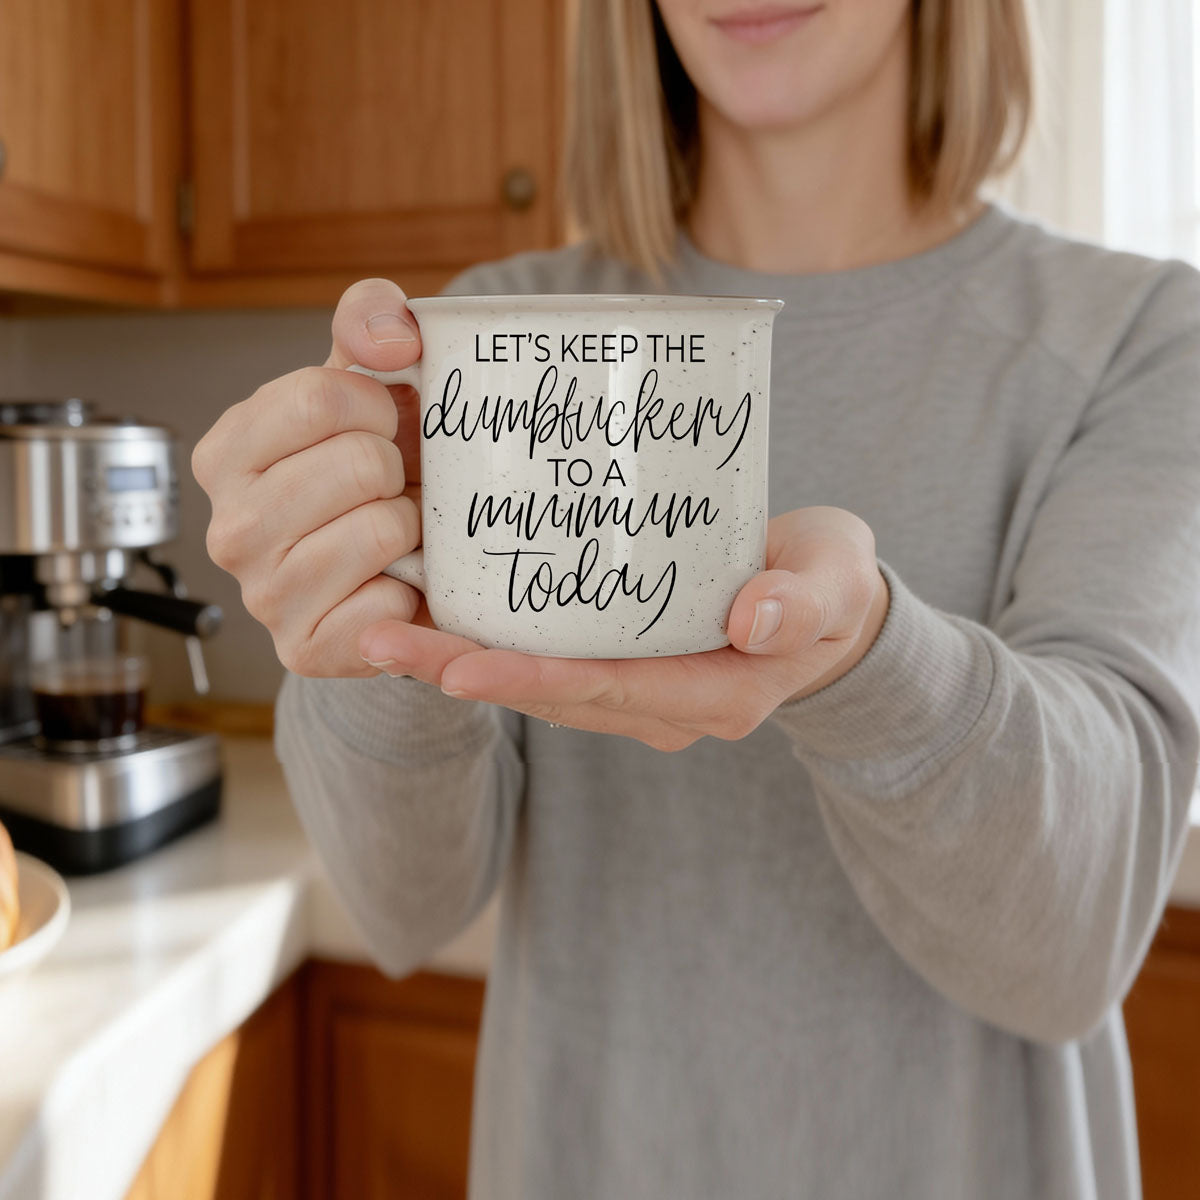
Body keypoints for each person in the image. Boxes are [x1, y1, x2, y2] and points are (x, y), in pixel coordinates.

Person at [193, 0, 1200, 1195]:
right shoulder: (489, 333)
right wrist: (374, 625)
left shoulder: (1143, 337)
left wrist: (869, 665)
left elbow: (1075, 944)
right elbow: (404, 908)